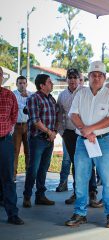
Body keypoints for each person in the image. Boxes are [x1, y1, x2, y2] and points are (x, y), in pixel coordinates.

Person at [64, 61, 109, 228]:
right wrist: (85, 131)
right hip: (83, 141)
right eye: (93, 75)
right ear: (88, 77)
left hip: (104, 141)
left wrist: (91, 129)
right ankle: (80, 213)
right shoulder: (81, 93)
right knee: (81, 177)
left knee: (107, 178)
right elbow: (72, 114)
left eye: (100, 75)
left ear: (104, 78)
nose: (96, 78)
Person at [56, 68, 99, 207]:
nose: (73, 80)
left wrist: (91, 130)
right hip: (69, 133)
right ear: (67, 79)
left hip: (85, 132)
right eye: (70, 77)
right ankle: (77, 192)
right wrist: (62, 132)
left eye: (75, 77)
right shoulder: (62, 95)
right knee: (76, 163)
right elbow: (60, 114)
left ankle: (92, 193)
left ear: (80, 79)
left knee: (89, 162)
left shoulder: (85, 92)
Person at [23, 74, 58, 208]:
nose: (52, 83)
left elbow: (55, 118)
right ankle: (27, 196)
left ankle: (40, 196)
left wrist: (54, 133)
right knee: (33, 169)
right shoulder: (34, 98)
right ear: (42, 85)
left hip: (49, 140)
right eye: (49, 82)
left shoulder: (52, 100)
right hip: (37, 139)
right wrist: (49, 132)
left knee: (43, 169)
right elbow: (35, 121)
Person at [0, 66, 24, 225]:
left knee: (8, 177)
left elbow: (14, 115)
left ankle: (12, 214)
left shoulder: (9, 95)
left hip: (4, 141)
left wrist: (7, 129)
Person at [12, 76, 32, 180]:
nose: (22, 85)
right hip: (17, 126)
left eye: (24, 83)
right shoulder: (13, 94)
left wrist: (27, 97)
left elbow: (32, 106)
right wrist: (25, 104)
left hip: (28, 126)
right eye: (20, 83)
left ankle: (29, 175)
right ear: (16, 84)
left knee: (28, 151)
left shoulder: (31, 95)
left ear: (26, 84)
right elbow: (16, 106)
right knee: (15, 151)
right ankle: (13, 175)